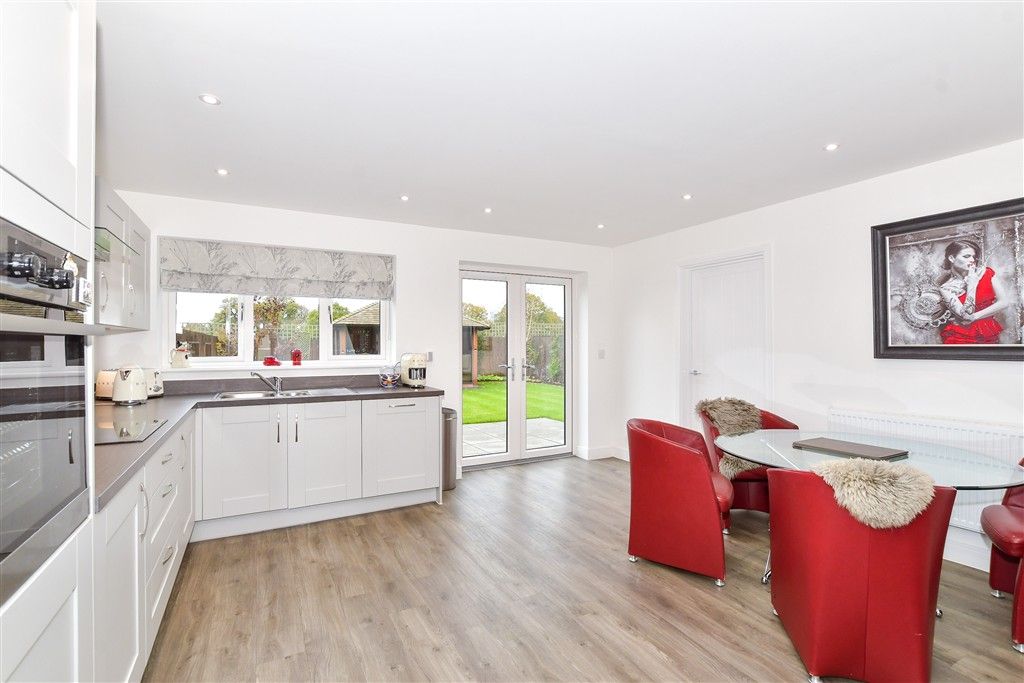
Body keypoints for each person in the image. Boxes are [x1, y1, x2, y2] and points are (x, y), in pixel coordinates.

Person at [938, 240, 1010, 344]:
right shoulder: (946, 288)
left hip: (989, 332)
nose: (972, 260)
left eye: (973, 256)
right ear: (952, 258)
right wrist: (972, 285)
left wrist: (975, 317)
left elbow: (1004, 302)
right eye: (966, 256)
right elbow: (966, 315)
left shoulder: (986, 272)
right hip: (960, 337)